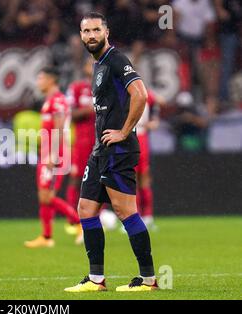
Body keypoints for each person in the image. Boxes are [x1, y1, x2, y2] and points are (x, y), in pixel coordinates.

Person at [65, 12, 158, 292]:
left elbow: (140, 94)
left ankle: (149, 279)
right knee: (86, 209)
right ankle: (96, 280)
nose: (91, 35)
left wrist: (125, 131)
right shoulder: (98, 65)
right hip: (100, 151)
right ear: (81, 35)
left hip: (118, 149)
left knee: (125, 211)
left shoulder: (117, 60)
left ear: (107, 32)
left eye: (96, 30)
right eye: (86, 31)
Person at [24, 66, 82, 248]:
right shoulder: (50, 100)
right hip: (48, 152)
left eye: (41, 78)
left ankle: (82, 224)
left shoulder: (57, 101)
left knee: (47, 196)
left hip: (55, 154)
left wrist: (52, 154)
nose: (38, 82)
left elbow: (58, 129)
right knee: (44, 196)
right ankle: (47, 237)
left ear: (51, 80)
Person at [64, 57, 95, 234]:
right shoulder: (76, 88)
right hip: (81, 141)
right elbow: (69, 114)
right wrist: (88, 110)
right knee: (76, 179)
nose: (93, 66)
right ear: (84, 67)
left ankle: (98, 217)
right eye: (89, 63)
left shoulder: (107, 87)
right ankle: (73, 219)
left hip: (101, 140)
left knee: (102, 180)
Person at [134, 90, 165, 230]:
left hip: (141, 136)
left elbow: (159, 102)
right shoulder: (119, 92)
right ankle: (134, 217)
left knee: (143, 177)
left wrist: (154, 119)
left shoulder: (145, 93)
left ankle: (147, 216)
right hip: (125, 137)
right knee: (130, 179)